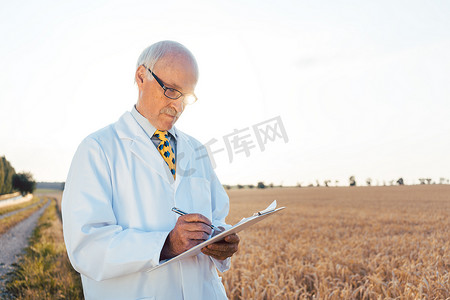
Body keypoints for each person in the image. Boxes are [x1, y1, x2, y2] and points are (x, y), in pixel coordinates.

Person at [62, 40, 239, 300]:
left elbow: (217, 218)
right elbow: (87, 247)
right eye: (170, 90)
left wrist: (221, 242)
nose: (178, 106)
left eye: (187, 96)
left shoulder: (197, 150)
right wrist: (166, 245)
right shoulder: (97, 149)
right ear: (141, 76)